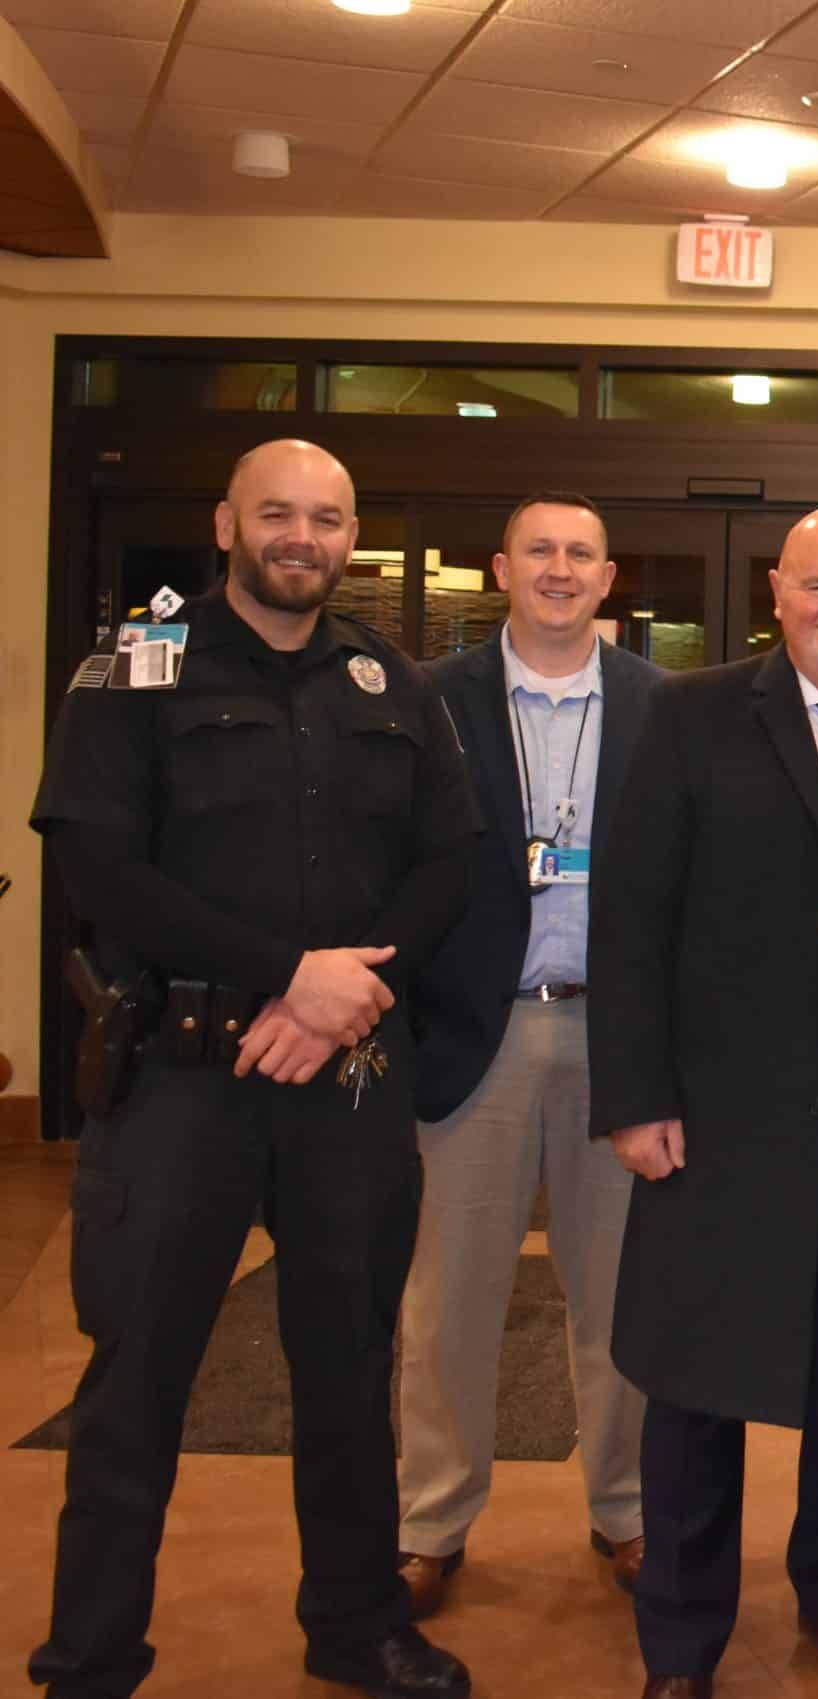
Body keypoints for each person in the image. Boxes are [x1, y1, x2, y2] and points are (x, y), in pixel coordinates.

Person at [27, 438, 480, 1699]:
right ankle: (92, 1655)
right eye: (277, 513)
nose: (303, 537)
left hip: (344, 1071)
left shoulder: (389, 675)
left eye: (327, 519)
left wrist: (343, 998)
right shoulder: (135, 666)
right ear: (226, 522)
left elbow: (451, 861)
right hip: (182, 1074)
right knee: (138, 1377)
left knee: (348, 1364)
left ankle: (357, 1625)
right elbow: (103, 869)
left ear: (351, 537)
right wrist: (290, 971)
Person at [587, 505, 818, 1699]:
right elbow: (629, 918)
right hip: (720, 1116)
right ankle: (681, 1644)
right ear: (776, 593)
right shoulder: (690, 715)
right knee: (695, 1389)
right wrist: (634, 1096)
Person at [396, 492, 662, 1615]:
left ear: (610, 579)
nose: (560, 569)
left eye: (581, 554)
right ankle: (431, 1522)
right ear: (501, 567)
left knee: (623, 1296)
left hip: (620, 1033)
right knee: (451, 1297)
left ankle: (630, 1512)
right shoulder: (429, 701)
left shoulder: (664, 703)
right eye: (540, 550)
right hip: (480, 1027)